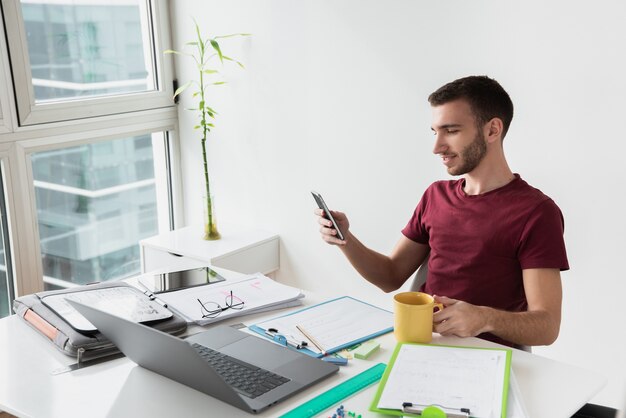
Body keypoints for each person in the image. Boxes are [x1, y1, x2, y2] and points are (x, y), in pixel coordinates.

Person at [315, 75, 569, 348]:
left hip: (488, 358)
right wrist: (345, 240)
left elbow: (547, 326)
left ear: (492, 130)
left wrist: (483, 318)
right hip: (422, 347)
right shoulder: (436, 196)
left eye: (451, 130)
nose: (437, 147)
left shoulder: (536, 213)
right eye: (435, 132)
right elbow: (389, 276)